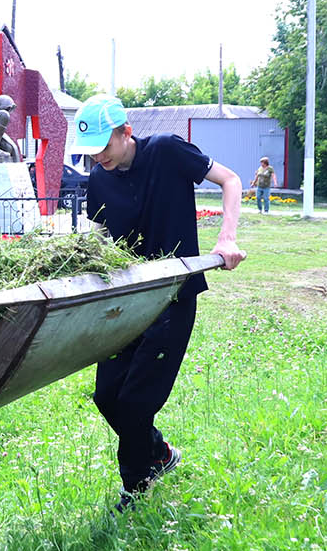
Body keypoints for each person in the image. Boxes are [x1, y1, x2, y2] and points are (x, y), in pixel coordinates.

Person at [67, 95, 246, 509]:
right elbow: (97, 239)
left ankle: (136, 487)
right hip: (128, 300)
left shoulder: (167, 151)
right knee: (107, 396)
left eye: (104, 147)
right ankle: (160, 453)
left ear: (126, 132)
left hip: (173, 295)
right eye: (91, 152)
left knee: (135, 403)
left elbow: (231, 180)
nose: (98, 158)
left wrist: (227, 236)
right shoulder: (99, 179)